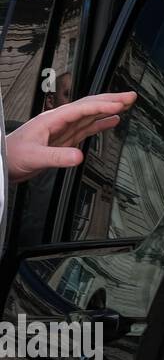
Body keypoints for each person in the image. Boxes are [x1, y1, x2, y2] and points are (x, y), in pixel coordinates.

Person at [0, 88, 138, 249]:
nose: (75, 104)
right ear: (50, 100)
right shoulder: (13, 136)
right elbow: (32, 230)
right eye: (68, 94)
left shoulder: (12, 142)